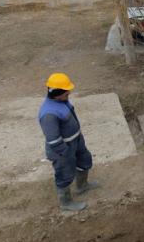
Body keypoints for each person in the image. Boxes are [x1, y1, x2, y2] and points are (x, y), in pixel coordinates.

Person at [38, 73, 99, 212]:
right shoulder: (48, 114)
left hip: (75, 141)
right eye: (66, 91)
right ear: (56, 93)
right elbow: (53, 139)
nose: (69, 93)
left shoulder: (61, 101)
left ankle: (82, 186)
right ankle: (65, 203)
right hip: (62, 149)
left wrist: (78, 138)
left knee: (84, 160)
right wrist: (65, 153)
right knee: (64, 173)